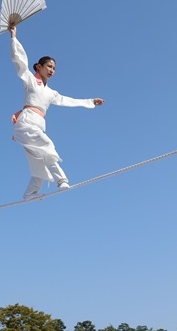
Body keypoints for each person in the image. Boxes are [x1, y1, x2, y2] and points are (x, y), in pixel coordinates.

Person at [7, 23, 105, 200]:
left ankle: (30, 193)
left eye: (54, 68)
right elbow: (20, 61)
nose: (52, 70)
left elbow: (68, 100)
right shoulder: (30, 80)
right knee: (48, 147)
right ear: (39, 67)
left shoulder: (51, 93)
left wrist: (90, 101)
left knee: (40, 166)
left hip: (37, 125)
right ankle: (62, 181)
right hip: (26, 124)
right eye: (49, 66)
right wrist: (13, 37)